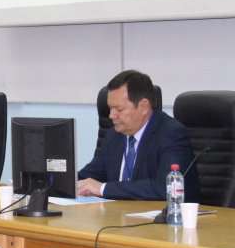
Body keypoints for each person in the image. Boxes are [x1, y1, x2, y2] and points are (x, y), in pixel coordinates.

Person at [77, 70, 199, 201]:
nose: (111, 115)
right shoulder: (114, 135)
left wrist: (103, 189)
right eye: (110, 108)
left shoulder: (171, 133)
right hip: (118, 212)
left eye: (119, 109)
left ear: (143, 107)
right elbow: (88, 176)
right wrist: (65, 182)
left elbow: (165, 187)